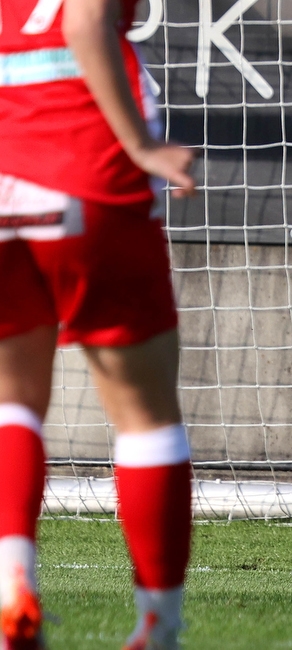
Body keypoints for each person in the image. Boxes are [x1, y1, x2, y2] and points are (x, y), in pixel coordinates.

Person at [0, 0, 196, 647]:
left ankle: (10, 582)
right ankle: (157, 625)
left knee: (14, 402)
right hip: (84, 174)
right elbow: (84, 20)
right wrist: (140, 144)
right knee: (145, 415)